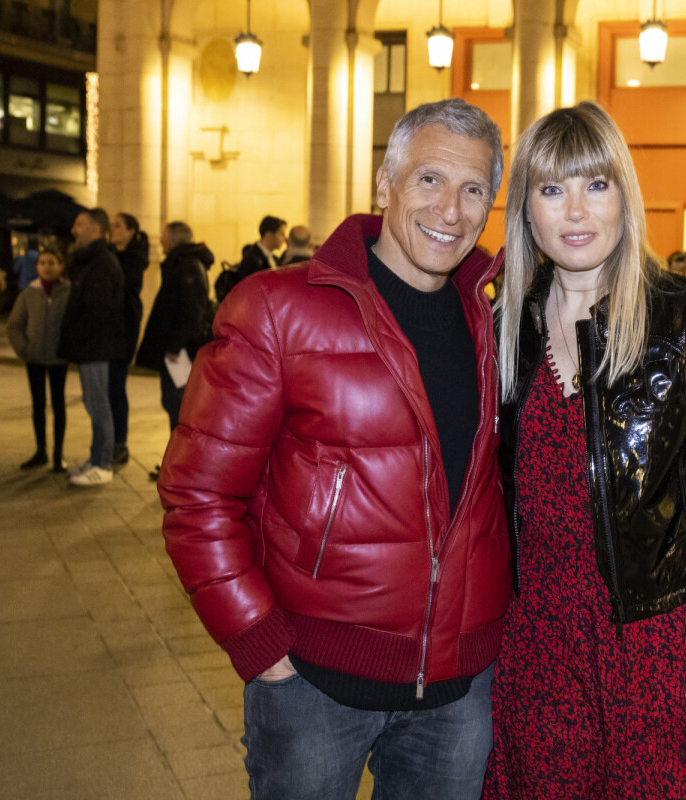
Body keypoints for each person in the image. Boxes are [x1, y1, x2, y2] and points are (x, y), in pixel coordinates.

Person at [157, 99, 509, 800]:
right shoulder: (277, 308)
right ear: (385, 185)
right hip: (314, 686)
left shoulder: (493, 319)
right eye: (430, 180)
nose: (452, 209)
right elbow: (197, 495)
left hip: (456, 690)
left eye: (475, 190)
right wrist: (262, 647)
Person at [487, 102, 686, 799]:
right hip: (538, 642)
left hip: (656, 645)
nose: (575, 211)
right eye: (552, 189)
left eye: (597, 185)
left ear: (626, 197)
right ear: (526, 209)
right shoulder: (502, 326)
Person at [58, 208, 125, 488]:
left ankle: (102, 464)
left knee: (99, 406)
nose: (74, 230)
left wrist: (77, 337)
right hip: (90, 347)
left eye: (79, 224)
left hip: (95, 348)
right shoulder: (91, 261)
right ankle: (95, 459)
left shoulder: (101, 263)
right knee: (94, 404)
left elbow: (99, 312)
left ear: (95, 229)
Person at [134, 221, 213, 441]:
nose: (160, 240)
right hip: (179, 348)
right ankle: (177, 461)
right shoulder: (184, 263)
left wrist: (174, 346)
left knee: (178, 406)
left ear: (173, 239)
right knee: (174, 404)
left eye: (163, 236)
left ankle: (181, 463)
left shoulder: (186, 265)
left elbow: (191, 312)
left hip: (180, 351)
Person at [6, 246, 70, 473]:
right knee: (38, 405)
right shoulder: (29, 293)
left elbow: (74, 324)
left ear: (61, 265)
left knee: (59, 405)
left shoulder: (69, 291)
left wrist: (68, 349)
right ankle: (41, 450)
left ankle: (58, 454)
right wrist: (24, 349)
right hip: (34, 359)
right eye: (42, 263)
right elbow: (14, 325)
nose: (47, 267)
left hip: (58, 359)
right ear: (37, 267)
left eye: (52, 262)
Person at [109, 212, 149, 467]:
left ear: (131, 231)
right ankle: (109, 442)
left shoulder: (134, 258)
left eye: (118, 226)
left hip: (122, 329)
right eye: (111, 225)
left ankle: (119, 443)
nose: (113, 230)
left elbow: (124, 287)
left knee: (115, 388)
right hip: (108, 330)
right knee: (107, 390)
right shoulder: (109, 253)